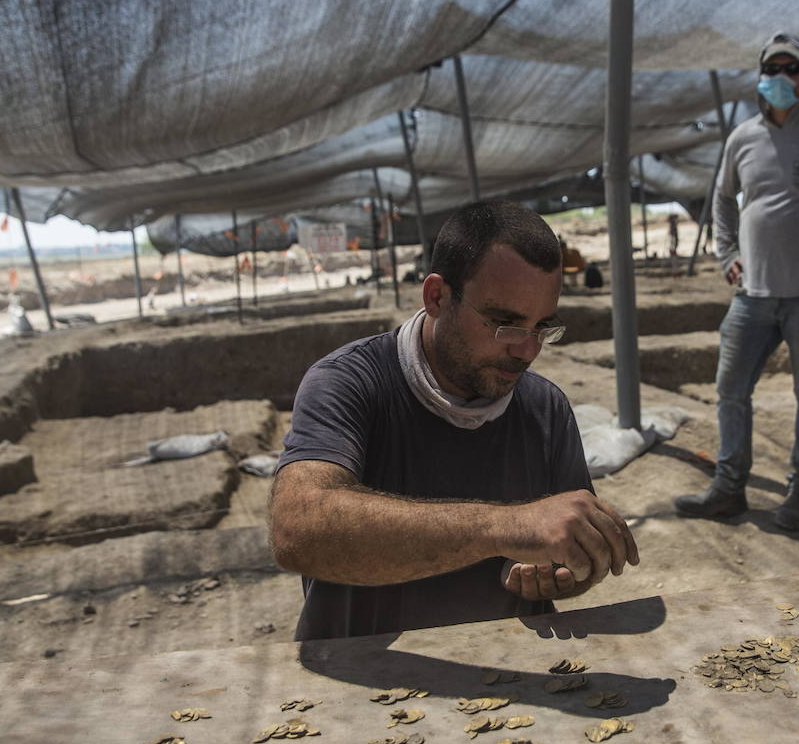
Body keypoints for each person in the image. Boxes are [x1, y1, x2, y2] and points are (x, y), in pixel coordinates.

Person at [269, 200, 638, 640]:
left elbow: (570, 560)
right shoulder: (350, 383)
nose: (527, 350)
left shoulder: (545, 408)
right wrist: (509, 527)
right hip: (364, 687)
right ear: (437, 297)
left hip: (508, 680)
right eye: (505, 323)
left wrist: (568, 571)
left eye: (543, 327)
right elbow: (298, 530)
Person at [674, 32, 799, 530]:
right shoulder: (742, 138)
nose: (782, 78)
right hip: (752, 297)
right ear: (761, 76)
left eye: (792, 69)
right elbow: (723, 199)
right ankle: (728, 488)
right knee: (730, 391)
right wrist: (726, 254)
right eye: (774, 69)